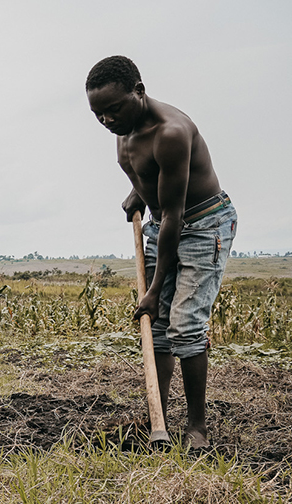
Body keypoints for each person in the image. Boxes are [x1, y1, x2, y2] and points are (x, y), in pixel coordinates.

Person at [86, 55, 237, 448]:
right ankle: (160, 423)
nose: (106, 120)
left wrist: (153, 288)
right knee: (156, 329)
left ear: (139, 91)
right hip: (162, 222)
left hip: (201, 224)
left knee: (184, 324)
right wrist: (138, 192)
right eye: (98, 114)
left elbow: (175, 215)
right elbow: (150, 174)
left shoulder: (170, 131)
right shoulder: (122, 126)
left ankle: (197, 428)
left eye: (113, 109)